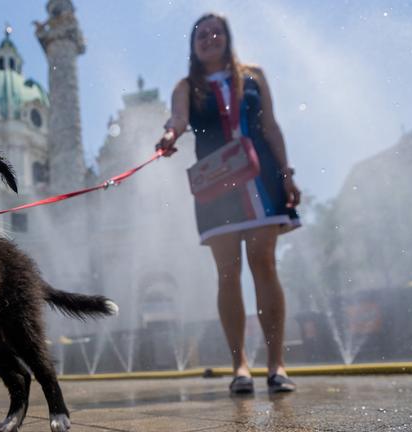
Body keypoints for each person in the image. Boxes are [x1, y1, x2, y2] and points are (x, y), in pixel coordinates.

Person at [157, 13, 301, 394]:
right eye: (201, 35)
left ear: (228, 37)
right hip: (216, 183)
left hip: (261, 177)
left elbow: (270, 124)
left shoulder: (254, 75)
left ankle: (277, 365)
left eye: (216, 32)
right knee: (227, 271)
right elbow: (178, 118)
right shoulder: (187, 86)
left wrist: (287, 172)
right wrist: (169, 134)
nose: (209, 38)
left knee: (265, 264)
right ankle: (240, 365)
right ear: (193, 44)